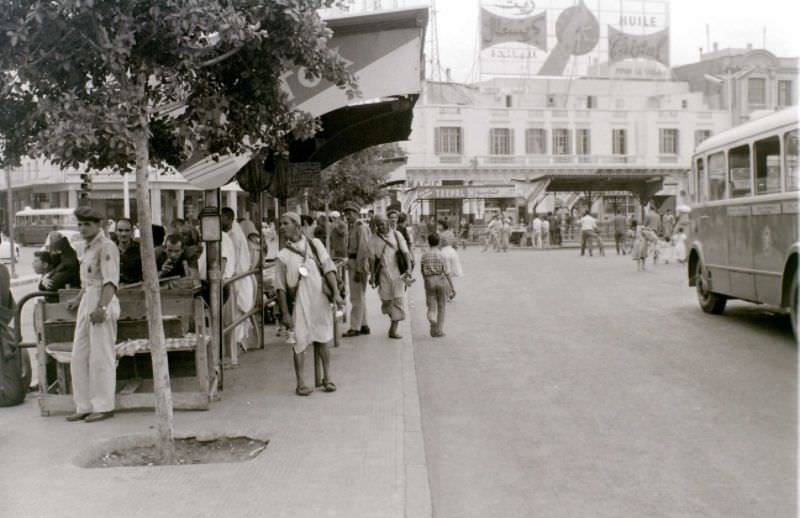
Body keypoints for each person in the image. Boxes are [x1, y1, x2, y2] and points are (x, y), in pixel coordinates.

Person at [275, 212, 343, 396]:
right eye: (280, 224)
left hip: (319, 298)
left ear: (297, 225)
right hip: (299, 303)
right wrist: (285, 314)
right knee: (299, 341)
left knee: (323, 337)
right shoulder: (281, 256)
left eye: (285, 223)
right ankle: (301, 383)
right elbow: (280, 288)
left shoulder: (315, 244)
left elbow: (328, 269)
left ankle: (327, 378)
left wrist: (336, 293)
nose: (282, 227)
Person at [64, 207, 120, 423]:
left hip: (101, 302)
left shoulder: (106, 247)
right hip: (88, 301)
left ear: (99, 225)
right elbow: (88, 282)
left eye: (87, 224)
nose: (83, 228)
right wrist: (78, 299)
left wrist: (102, 308)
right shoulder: (86, 248)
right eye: (80, 224)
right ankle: (84, 405)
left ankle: (104, 405)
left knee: (101, 357)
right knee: (78, 356)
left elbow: (110, 281)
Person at [368, 214, 410, 339]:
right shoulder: (373, 239)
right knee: (386, 300)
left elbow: (405, 252)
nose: (380, 227)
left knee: (398, 300)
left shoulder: (397, 235)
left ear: (387, 222)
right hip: (383, 274)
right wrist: (372, 275)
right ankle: (394, 319)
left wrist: (408, 268)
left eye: (382, 223)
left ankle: (393, 330)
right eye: (377, 224)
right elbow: (371, 259)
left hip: (398, 274)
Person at [221, 207, 256, 350]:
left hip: (237, 277)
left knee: (235, 313)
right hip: (236, 276)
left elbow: (233, 260)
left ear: (229, 219)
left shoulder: (234, 235)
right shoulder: (228, 233)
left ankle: (236, 345)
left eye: (222, 218)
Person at [342, 201, 371, 337]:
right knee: (360, 296)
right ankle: (363, 324)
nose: (347, 216)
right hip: (355, 262)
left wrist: (359, 269)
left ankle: (355, 327)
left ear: (356, 213)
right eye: (346, 213)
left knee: (356, 297)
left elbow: (363, 249)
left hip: (358, 264)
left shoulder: (360, 227)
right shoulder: (354, 227)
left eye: (349, 213)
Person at [421, 233, 452, 337]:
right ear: (439, 242)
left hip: (429, 280)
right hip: (440, 279)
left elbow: (422, 271)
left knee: (431, 306)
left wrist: (426, 281)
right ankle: (438, 330)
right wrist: (452, 287)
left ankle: (431, 318)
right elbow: (447, 272)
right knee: (442, 306)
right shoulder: (442, 255)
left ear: (428, 242)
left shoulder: (424, 255)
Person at [437, 220, 462, 298]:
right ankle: (449, 291)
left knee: (444, 274)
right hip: (452, 252)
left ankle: (450, 292)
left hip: (444, 253)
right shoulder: (451, 233)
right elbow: (455, 245)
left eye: (439, 225)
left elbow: (439, 246)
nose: (438, 226)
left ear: (442, 226)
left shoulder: (441, 235)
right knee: (448, 274)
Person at [115, 218, 142, 285]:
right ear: (116, 232)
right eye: (120, 230)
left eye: (127, 230)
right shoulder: (110, 249)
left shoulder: (140, 250)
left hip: (135, 291)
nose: (123, 234)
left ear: (132, 232)